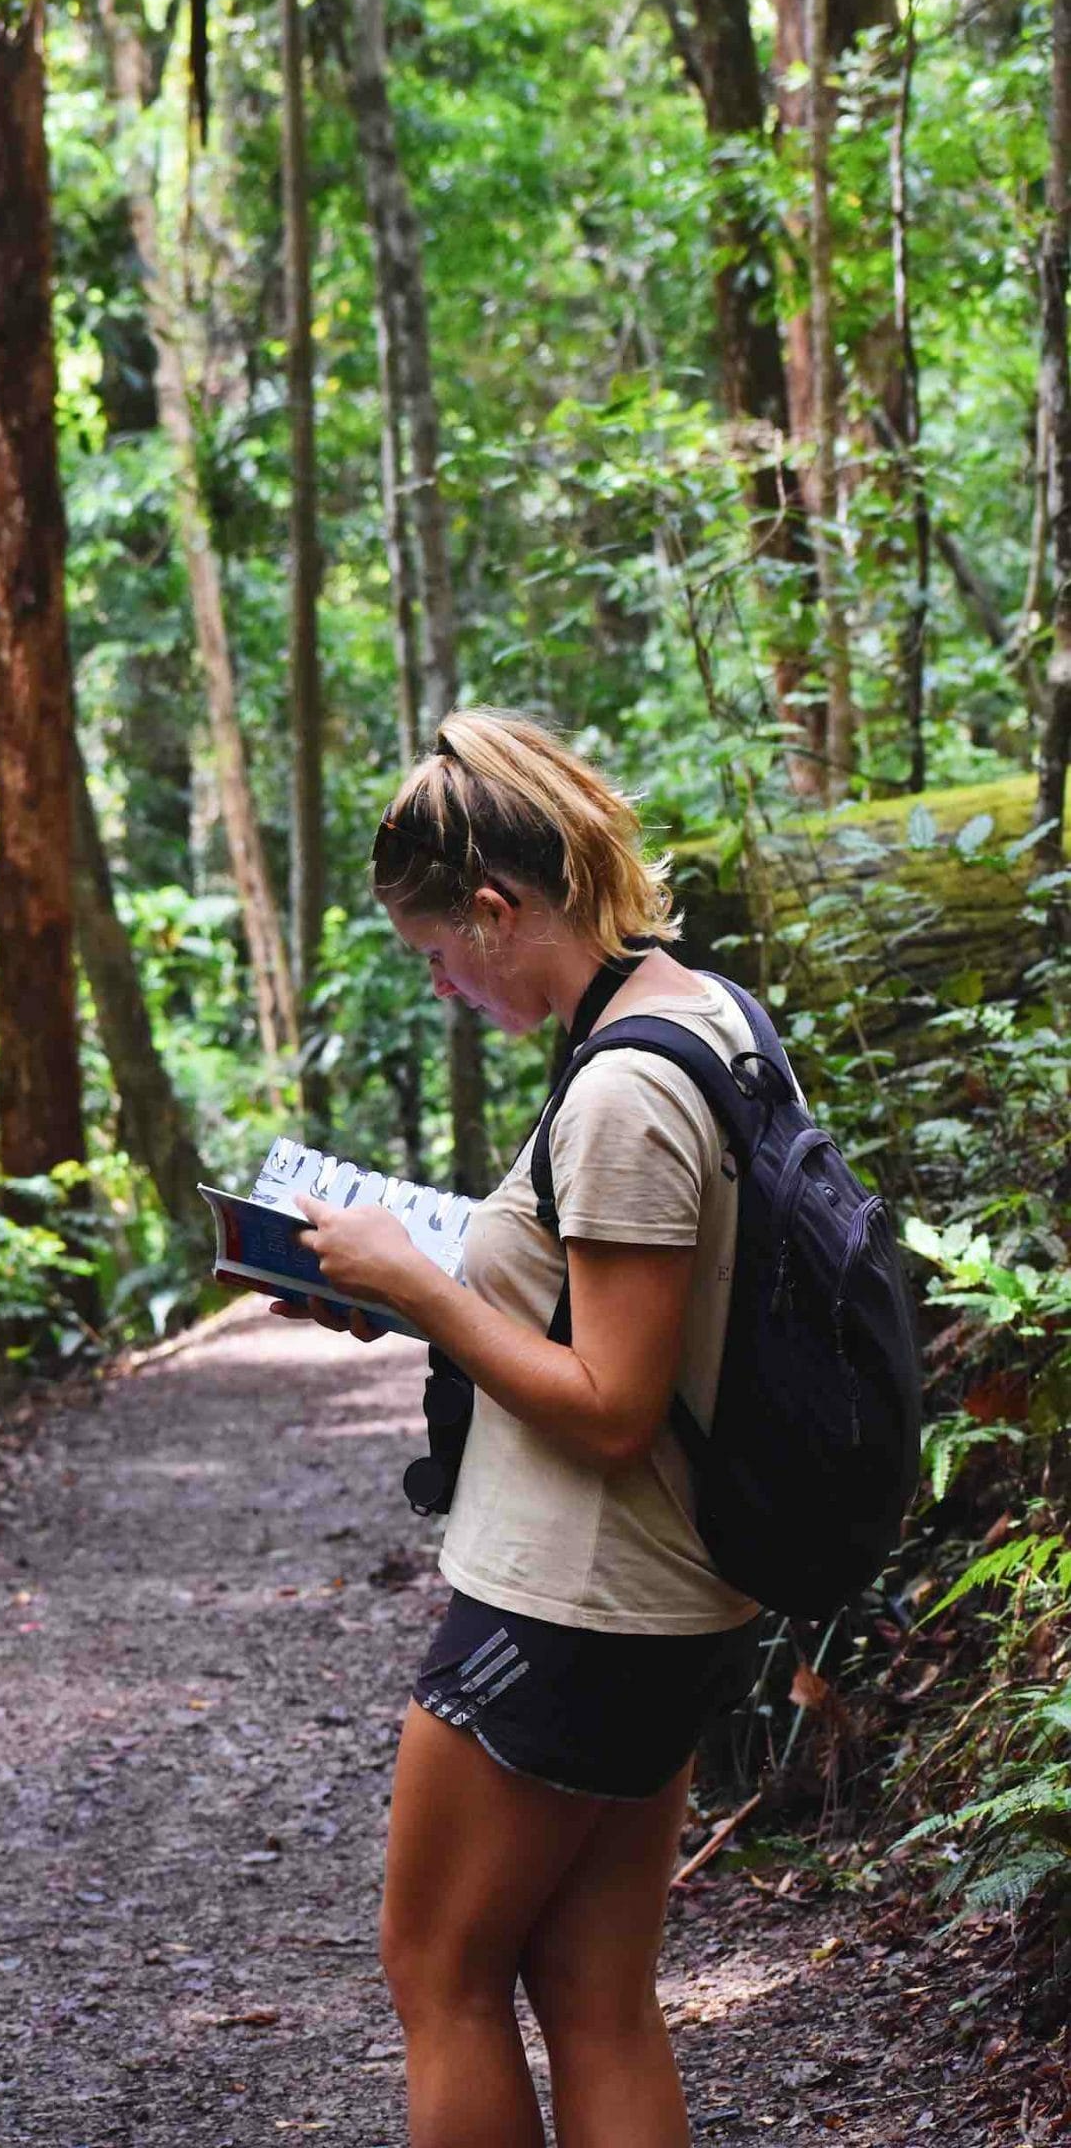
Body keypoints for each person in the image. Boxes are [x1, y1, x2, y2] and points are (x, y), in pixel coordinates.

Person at [275, 707, 766, 2148]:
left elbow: (614, 1409)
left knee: (441, 1975)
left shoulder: (620, 1091)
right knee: (595, 1988)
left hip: (572, 1603)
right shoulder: (698, 1011)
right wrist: (406, 1287)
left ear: (496, 910)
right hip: (669, 1598)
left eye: (439, 955)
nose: (442, 988)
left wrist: (422, 1292)